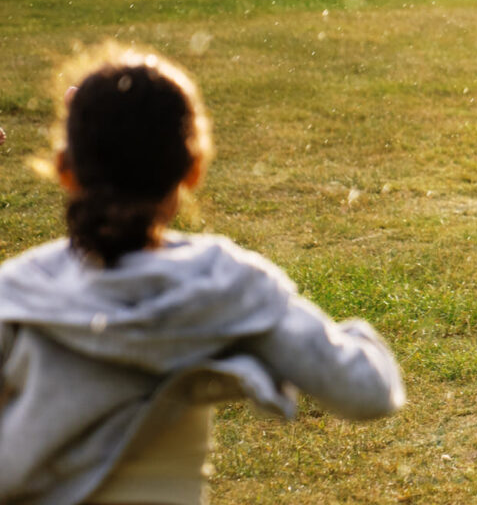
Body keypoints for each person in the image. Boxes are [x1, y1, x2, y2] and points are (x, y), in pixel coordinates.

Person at [0, 44, 405, 505]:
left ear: (64, 169)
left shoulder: (17, 291)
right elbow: (367, 393)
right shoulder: (224, 285)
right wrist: (344, 334)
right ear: (193, 169)